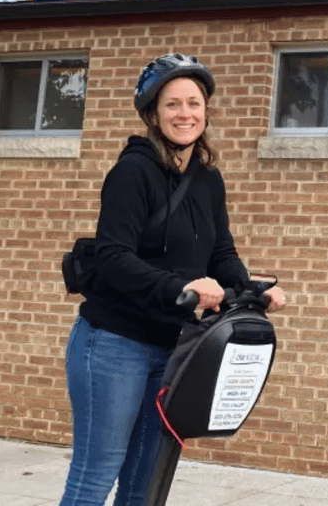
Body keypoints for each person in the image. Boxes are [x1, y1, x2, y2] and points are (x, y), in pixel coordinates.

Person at [59, 53, 286, 506]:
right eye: (173, 105)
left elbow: (220, 252)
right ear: (153, 114)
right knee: (96, 475)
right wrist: (180, 288)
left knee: (146, 483)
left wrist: (252, 287)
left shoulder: (207, 178)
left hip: (173, 348)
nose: (185, 114)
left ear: (206, 111)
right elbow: (112, 257)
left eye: (194, 103)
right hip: (112, 343)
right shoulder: (132, 172)